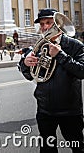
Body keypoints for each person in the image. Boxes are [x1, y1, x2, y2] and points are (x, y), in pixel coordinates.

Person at [19, 8, 84, 152]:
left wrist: (60, 55)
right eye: (42, 24)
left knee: (77, 146)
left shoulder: (75, 46)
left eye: (49, 23)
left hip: (70, 110)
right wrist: (25, 64)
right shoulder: (39, 46)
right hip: (45, 109)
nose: (45, 27)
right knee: (47, 148)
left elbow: (81, 72)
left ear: (58, 25)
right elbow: (30, 75)